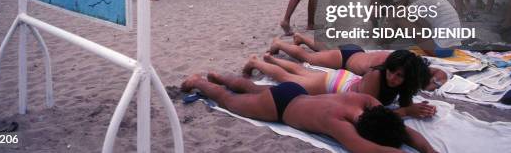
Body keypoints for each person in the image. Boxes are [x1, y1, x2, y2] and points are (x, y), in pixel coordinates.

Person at [181, 74, 437, 153]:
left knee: (251, 88)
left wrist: (430, 151)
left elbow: (400, 128)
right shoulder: (339, 124)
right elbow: (369, 150)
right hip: (280, 108)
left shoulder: (365, 101)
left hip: (295, 92)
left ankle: (217, 75)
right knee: (229, 100)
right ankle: (199, 81)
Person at [242, 50, 435, 119]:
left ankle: (270, 59)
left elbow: (406, 104)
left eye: (399, 76)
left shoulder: (403, 83)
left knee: (302, 72)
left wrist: (417, 108)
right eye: (392, 71)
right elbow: (372, 115)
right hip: (335, 85)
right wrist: (408, 112)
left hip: (346, 81)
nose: (392, 78)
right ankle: (256, 62)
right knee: (288, 79)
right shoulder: (377, 76)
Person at [269, 35, 449, 91]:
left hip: (355, 53)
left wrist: (434, 84)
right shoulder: (390, 67)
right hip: (347, 59)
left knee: (323, 51)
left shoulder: (404, 61)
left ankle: (301, 37)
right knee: (307, 58)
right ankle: (278, 43)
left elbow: (441, 73)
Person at [388, 0, 461, 58]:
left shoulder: (425, 1)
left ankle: (379, 42)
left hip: (440, 50)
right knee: (413, 19)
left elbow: (398, 14)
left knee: (398, 18)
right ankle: (383, 40)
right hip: (451, 48)